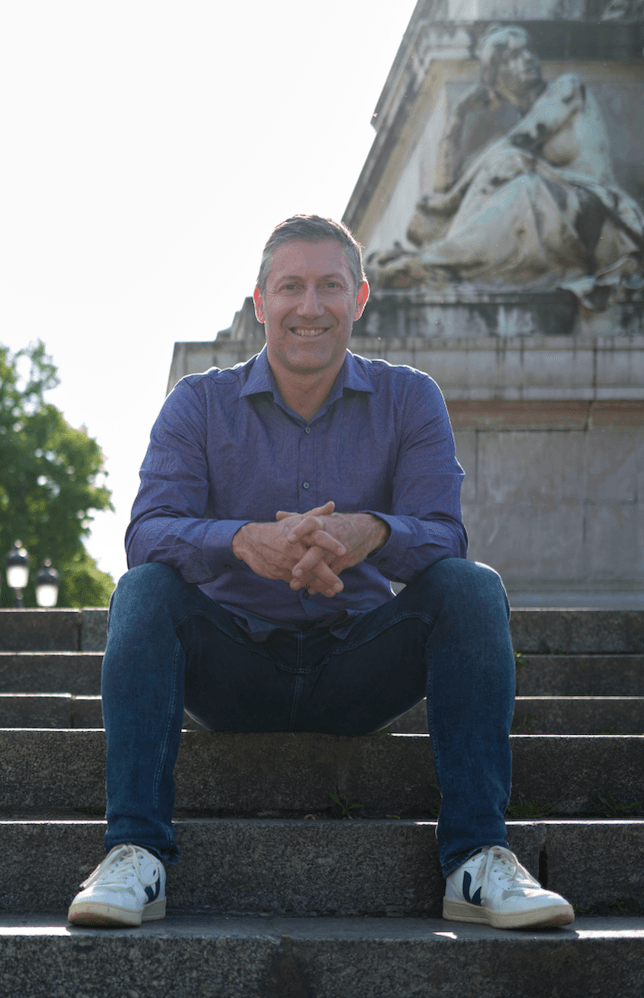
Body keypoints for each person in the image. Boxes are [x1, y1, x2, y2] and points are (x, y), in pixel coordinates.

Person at [67, 214, 574, 931]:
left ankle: (477, 858)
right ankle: (135, 855)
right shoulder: (198, 403)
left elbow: (444, 534)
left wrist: (371, 533)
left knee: (472, 587)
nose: (310, 306)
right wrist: (244, 542)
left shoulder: (410, 398)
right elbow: (147, 532)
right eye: (291, 287)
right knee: (144, 589)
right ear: (260, 302)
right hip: (232, 666)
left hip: (356, 666)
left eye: (330, 286)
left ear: (359, 298)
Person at [378, 26, 644, 308]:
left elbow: (515, 144)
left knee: (517, 176)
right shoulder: (512, 130)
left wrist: (449, 201)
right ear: (495, 78)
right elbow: (442, 184)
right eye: (512, 56)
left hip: (602, 221)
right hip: (565, 224)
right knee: (511, 174)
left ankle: (436, 259)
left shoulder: (567, 88)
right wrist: (458, 116)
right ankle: (446, 257)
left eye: (527, 50)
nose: (527, 59)